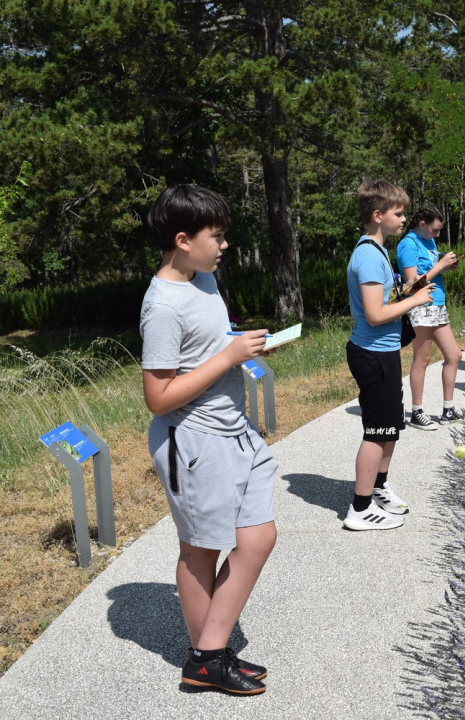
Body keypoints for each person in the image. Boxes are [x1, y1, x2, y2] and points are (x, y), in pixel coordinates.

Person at [141, 184, 276, 695]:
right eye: (216, 237)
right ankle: (208, 660)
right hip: (193, 442)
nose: (224, 247)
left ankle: (208, 653)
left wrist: (238, 348)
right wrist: (227, 358)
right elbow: (158, 397)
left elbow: (206, 349)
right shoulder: (162, 306)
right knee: (202, 552)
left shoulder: (203, 281)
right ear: (182, 239)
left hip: (232, 431)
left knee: (257, 536)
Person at [344, 180, 435, 530]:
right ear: (377, 215)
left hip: (384, 351)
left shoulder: (377, 249)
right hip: (372, 354)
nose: (404, 218)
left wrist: (410, 290)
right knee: (376, 430)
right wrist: (415, 300)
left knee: (390, 427)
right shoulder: (368, 255)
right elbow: (375, 314)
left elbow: (384, 302)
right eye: (398, 213)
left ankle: (378, 487)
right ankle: (360, 508)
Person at [396, 205, 464, 430]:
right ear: (422, 224)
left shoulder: (429, 241)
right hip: (421, 305)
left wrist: (446, 267)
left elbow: (431, 271)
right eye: (434, 230)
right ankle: (417, 412)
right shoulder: (408, 244)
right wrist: (440, 265)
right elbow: (411, 285)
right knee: (422, 359)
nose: (437, 235)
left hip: (438, 304)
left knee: (454, 355)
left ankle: (448, 409)